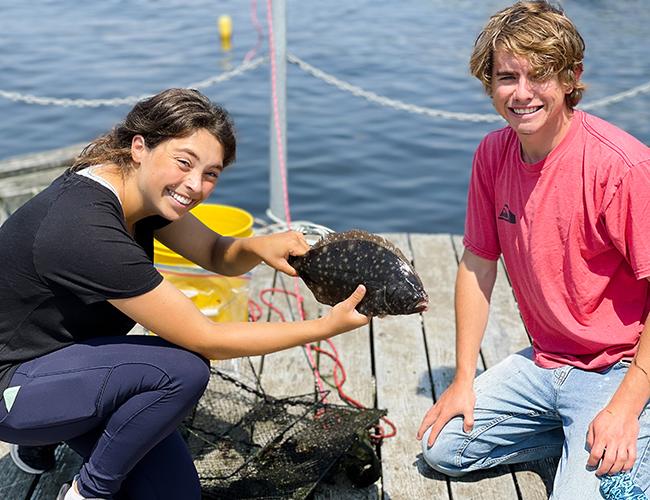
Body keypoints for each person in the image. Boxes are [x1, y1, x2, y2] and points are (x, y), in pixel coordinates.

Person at [0, 88, 369, 500]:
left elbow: (215, 252)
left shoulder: (134, 188)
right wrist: (324, 326)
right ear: (139, 146)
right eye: (184, 162)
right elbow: (204, 338)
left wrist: (260, 246)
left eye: (211, 173)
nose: (194, 185)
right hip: (12, 385)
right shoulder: (84, 229)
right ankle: (86, 489)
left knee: (175, 494)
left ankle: (46, 434)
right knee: (182, 369)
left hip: (65, 357)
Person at [417, 1, 650, 498]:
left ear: (571, 78)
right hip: (545, 361)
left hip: (621, 367)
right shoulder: (491, 155)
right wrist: (462, 378)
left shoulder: (622, 167)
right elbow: (478, 265)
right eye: (506, 77)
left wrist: (626, 407)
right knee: (443, 450)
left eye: (538, 75)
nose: (521, 94)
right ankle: (571, 438)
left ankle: (629, 432)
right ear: (489, 83)